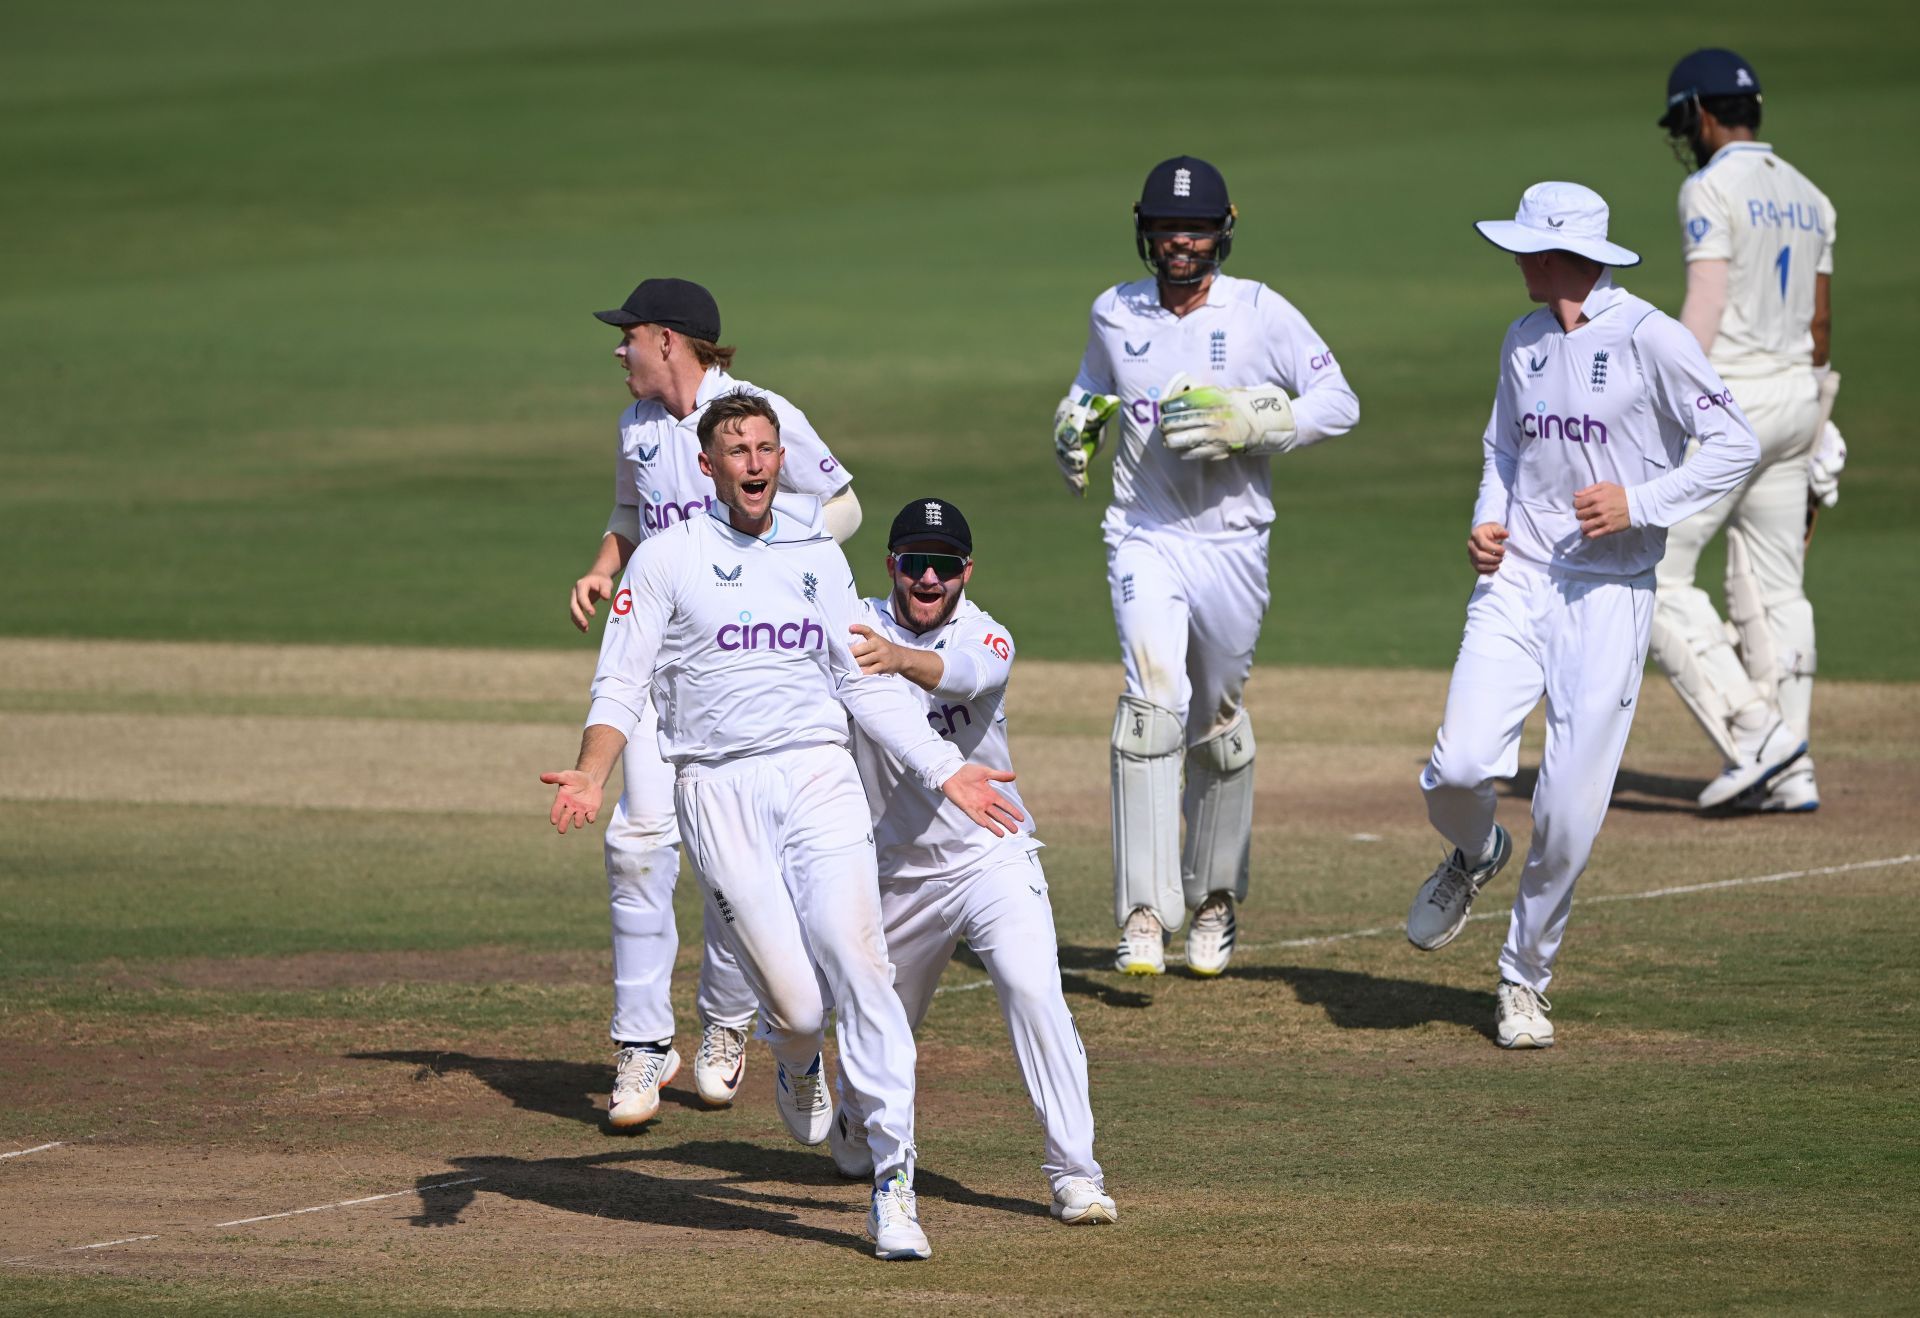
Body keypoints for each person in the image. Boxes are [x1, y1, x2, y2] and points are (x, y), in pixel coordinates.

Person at [542, 392, 1023, 1261]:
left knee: (860, 968)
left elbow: (865, 678)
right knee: (800, 1004)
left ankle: (894, 1185)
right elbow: (619, 684)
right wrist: (592, 770)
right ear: (708, 465)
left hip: (817, 774)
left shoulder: (815, 549)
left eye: (767, 448)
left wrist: (947, 771)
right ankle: (796, 1052)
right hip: (717, 790)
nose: (757, 463)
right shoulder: (667, 556)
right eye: (739, 450)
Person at [1404, 182, 1760, 1049]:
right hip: (1518, 580)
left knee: (1567, 810)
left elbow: (1734, 444)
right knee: (1455, 770)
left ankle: (1524, 978)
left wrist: (1640, 501)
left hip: (1608, 595)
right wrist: (1486, 521)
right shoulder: (1523, 339)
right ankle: (1478, 850)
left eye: (1529, 245)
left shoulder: (1652, 339)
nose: (1516, 259)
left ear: (1568, 256)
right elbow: (1503, 448)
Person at [1053, 156, 1360, 976]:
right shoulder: (1114, 311)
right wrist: (1076, 422)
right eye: (1163, 228)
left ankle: (1216, 897)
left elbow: (1340, 402)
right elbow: (1095, 385)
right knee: (1154, 704)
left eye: (1191, 228)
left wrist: (1250, 421)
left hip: (1232, 540)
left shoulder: (1260, 312)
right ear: (1142, 230)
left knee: (1215, 724)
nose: (1177, 242)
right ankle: (1146, 914)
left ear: (1223, 227)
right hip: (1145, 532)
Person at [569, 278, 864, 1129]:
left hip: (751, 676)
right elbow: (632, 514)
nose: (618, 350)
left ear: (666, 339)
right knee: (635, 845)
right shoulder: (635, 427)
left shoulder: (757, 414)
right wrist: (603, 565)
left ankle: (730, 1023)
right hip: (664, 670)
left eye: (628, 336)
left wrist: (766, 569)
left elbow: (839, 505)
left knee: (742, 859)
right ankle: (640, 1046)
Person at [829, 497, 1117, 1226]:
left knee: (1032, 991)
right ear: (891, 563)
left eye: (945, 565)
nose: (929, 579)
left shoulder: (988, 636)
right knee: (885, 1027)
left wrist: (896, 658)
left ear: (966, 572)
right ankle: (857, 1114)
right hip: (895, 873)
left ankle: (1075, 1173)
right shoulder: (849, 621)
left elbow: (960, 677)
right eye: (914, 562)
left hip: (990, 851)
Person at [1650, 49, 1842, 812]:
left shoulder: (1708, 189)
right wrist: (1819, 425)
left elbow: (1705, 310)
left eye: (1681, 121)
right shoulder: (1812, 195)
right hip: (1800, 400)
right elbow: (1820, 326)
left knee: (1653, 569)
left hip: (1734, 403)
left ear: (1700, 113)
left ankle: (1757, 734)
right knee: (1774, 587)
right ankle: (1792, 771)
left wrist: (1658, 396)